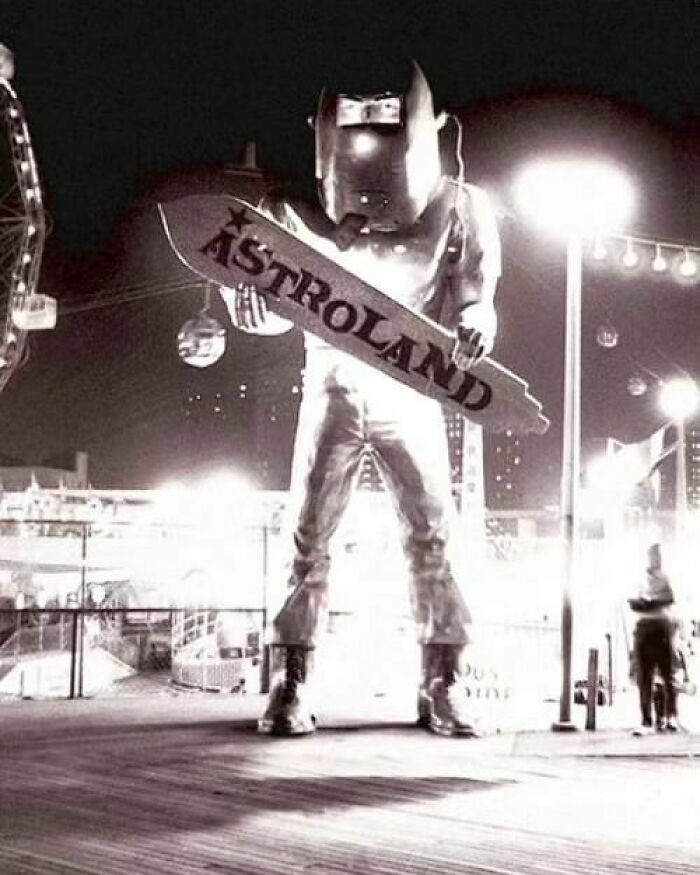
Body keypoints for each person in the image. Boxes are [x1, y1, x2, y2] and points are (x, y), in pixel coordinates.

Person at [224, 61, 501, 737]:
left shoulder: (459, 207)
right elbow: (258, 306)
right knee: (310, 530)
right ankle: (292, 676)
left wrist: (480, 321)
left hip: (411, 381)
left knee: (434, 531)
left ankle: (443, 676)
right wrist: (254, 306)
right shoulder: (290, 212)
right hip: (335, 373)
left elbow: (478, 297)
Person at [628, 543, 677, 736]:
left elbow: (669, 599)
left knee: (667, 674)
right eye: (652, 556)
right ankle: (646, 720)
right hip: (645, 627)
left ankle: (670, 716)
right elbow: (633, 602)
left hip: (660, 626)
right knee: (644, 676)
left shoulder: (666, 577)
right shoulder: (637, 578)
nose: (654, 560)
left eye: (657, 556)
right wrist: (652, 602)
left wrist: (648, 602)